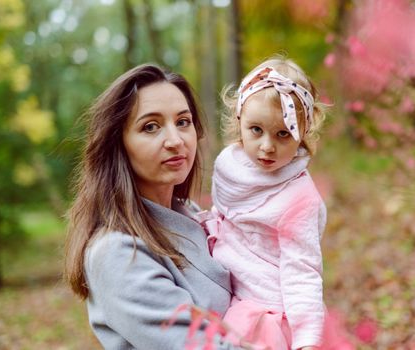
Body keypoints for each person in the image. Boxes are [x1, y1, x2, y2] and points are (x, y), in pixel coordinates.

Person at [63, 63, 240, 349]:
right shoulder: (117, 252)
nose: (175, 140)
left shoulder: (192, 214)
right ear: (118, 144)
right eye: (150, 127)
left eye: (183, 122)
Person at [200, 57, 327, 349]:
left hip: (264, 309)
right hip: (225, 285)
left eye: (283, 134)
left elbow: (302, 268)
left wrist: (307, 339)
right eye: (256, 130)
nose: (267, 146)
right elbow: (227, 213)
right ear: (239, 121)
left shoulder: (299, 197)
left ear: (302, 134)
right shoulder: (229, 164)